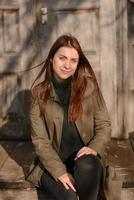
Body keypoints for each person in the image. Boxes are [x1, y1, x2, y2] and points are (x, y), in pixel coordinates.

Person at [27, 34, 111, 200]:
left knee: (87, 164)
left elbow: (104, 125)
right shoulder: (38, 93)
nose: (67, 65)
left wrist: (93, 148)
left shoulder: (90, 86)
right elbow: (40, 140)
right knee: (69, 196)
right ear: (52, 59)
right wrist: (60, 172)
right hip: (52, 162)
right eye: (62, 58)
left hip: (84, 160)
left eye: (73, 60)